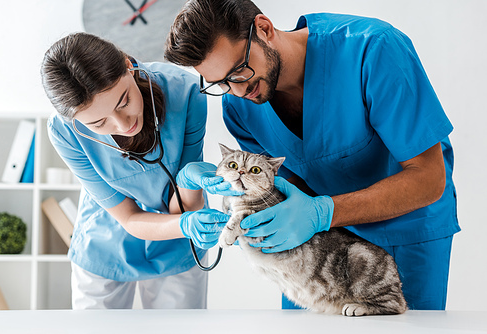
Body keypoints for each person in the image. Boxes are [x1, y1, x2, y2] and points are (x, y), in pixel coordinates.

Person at [164, 0, 460, 310]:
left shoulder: (372, 49)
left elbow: (429, 178)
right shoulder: (240, 106)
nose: (237, 91)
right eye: (221, 83)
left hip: (402, 229)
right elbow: (276, 191)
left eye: (238, 71)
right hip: (311, 250)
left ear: (264, 29)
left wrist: (322, 213)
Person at [41, 32, 236, 309]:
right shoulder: (64, 132)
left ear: (128, 66)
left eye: (124, 102)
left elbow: (182, 207)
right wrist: (184, 223)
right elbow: (129, 218)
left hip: (177, 240)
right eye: (98, 124)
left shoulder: (185, 92)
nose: (123, 125)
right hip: (106, 238)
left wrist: (191, 190)